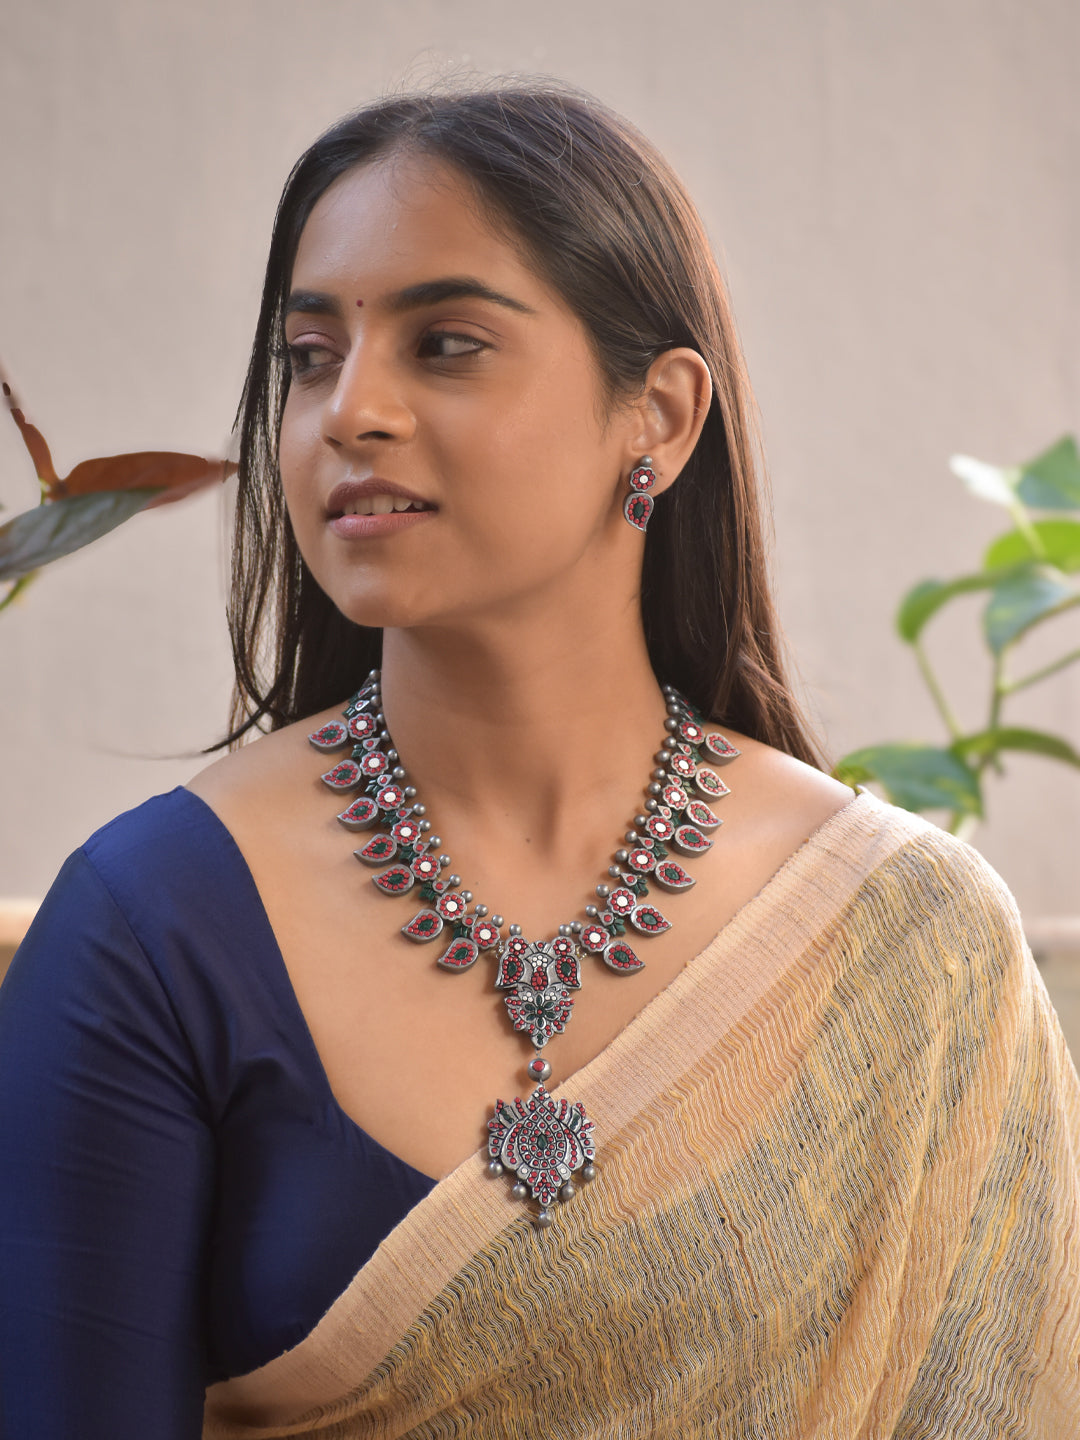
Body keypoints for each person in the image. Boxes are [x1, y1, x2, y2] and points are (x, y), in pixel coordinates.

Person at [1, 85, 1077, 1440]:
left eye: (446, 345)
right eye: (309, 357)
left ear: (660, 417)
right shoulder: (153, 926)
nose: (350, 410)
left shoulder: (911, 942)